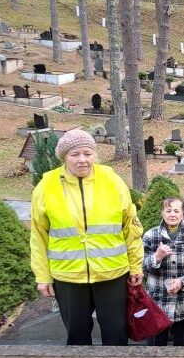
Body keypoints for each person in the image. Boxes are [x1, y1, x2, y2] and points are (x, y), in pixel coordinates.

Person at [30, 128, 144, 345]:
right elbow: (38, 235)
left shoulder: (112, 181)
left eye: (87, 153)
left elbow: (131, 227)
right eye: (75, 154)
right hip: (68, 276)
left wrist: (136, 265)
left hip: (112, 273)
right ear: (64, 157)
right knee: (77, 334)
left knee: (116, 332)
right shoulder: (47, 186)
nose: (82, 160)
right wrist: (42, 275)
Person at [142, 197, 184, 346]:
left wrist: (182, 282)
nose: (172, 214)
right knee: (155, 350)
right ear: (162, 213)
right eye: (168, 210)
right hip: (157, 301)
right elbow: (141, 267)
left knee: (182, 350)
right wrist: (156, 257)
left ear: (182, 213)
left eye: (176, 211)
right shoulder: (150, 236)